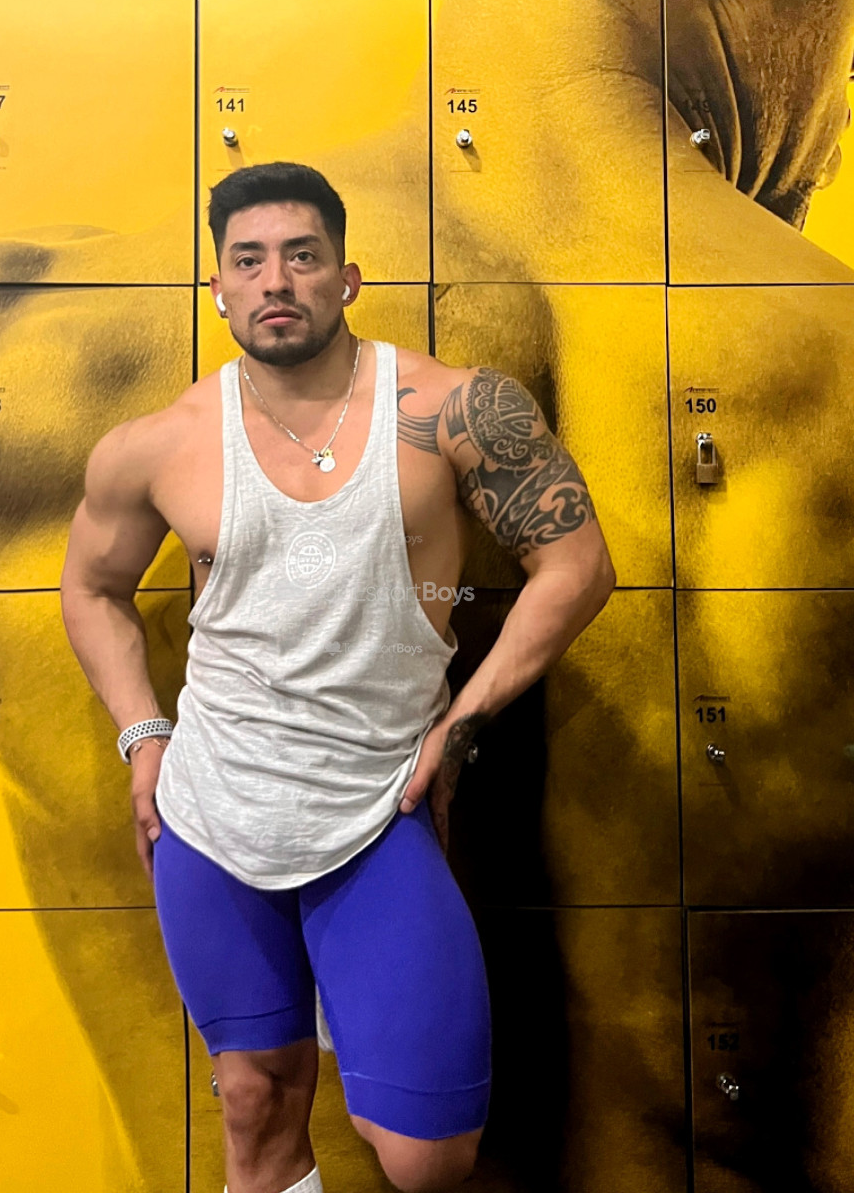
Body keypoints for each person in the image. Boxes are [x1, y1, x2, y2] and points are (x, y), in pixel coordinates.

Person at [59, 160, 616, 1193]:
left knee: (426, 1157)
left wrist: (462, 723)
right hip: (213, 817)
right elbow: (90, 588)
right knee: (256, 1106)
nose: (275, 280)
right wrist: (143, 734)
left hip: (376, 809)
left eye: (302, 256)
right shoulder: (164, 443)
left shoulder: (453, 408)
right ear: (217, 289)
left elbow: (576, 567)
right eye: (248, 261)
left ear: (347, 277)